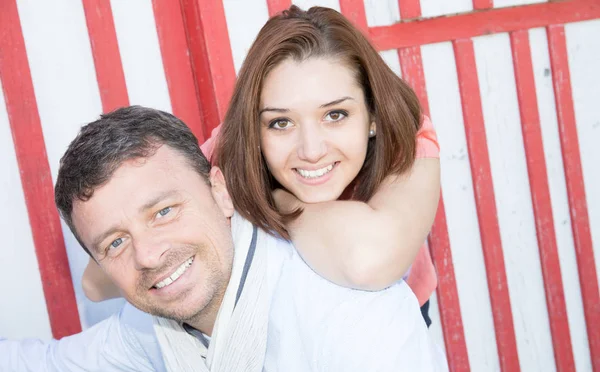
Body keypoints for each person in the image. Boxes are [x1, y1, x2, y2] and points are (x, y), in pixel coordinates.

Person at [0, 106, 457, 372]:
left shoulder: (347, 314)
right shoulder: (155, 329)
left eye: (163, 211)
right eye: (115, 242)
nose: (149, 255)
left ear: (221, 193)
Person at [83, 4, 441, 327]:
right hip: (287, 329)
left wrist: (276, 202)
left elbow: (368, 260)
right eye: (281, 123)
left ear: (373, 116)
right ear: (254, 129)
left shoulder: (405, 133)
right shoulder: (233, 149)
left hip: (398, 317)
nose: (312, 150)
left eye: (335, 115)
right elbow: (96, 282)